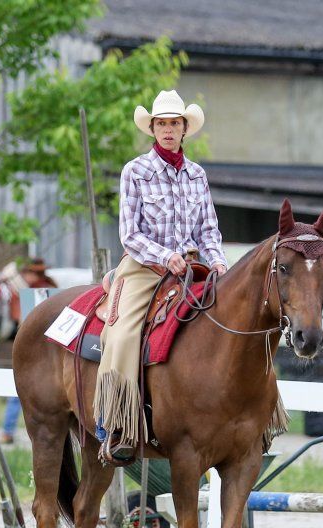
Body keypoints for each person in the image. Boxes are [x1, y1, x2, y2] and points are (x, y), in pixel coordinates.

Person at [94, 89, 228, 461]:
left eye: (174, 123)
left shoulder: (197, 175)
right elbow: (130, 234)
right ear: (152, 128)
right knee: (120, 334)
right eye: (161, 123)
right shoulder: (135, 171)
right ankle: (116, 422)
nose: (168, 129)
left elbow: (208, 230)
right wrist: (165, 256)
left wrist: (217, 261)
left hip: (192, 266)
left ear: (185, 129)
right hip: (145, 267)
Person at [1, 259, 59, 444]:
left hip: (40, 348)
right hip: (45, 349)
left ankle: (8, 431)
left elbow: (20, 320)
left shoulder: (38, 291)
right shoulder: (49, 288)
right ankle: (9, 431)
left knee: (20, 389)